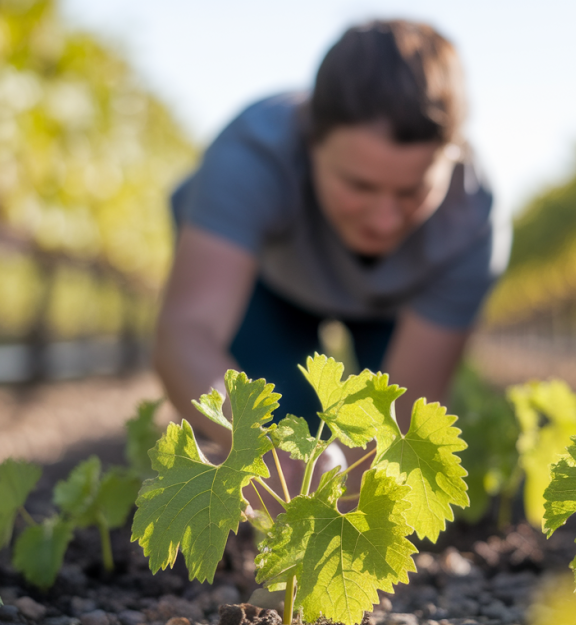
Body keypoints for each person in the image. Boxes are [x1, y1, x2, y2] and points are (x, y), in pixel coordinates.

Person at [155, 19, 511, 466]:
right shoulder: (250, 156)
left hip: (395, 307)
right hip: (269, 286)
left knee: (383, 445)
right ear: (309, 142)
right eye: (359, 186)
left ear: (452, 156)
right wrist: (261, 454)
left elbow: (405, 415)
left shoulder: (473, 221)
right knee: (284, 415)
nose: (384, 221)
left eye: (412, 192)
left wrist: (351, 496)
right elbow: (188, 333)